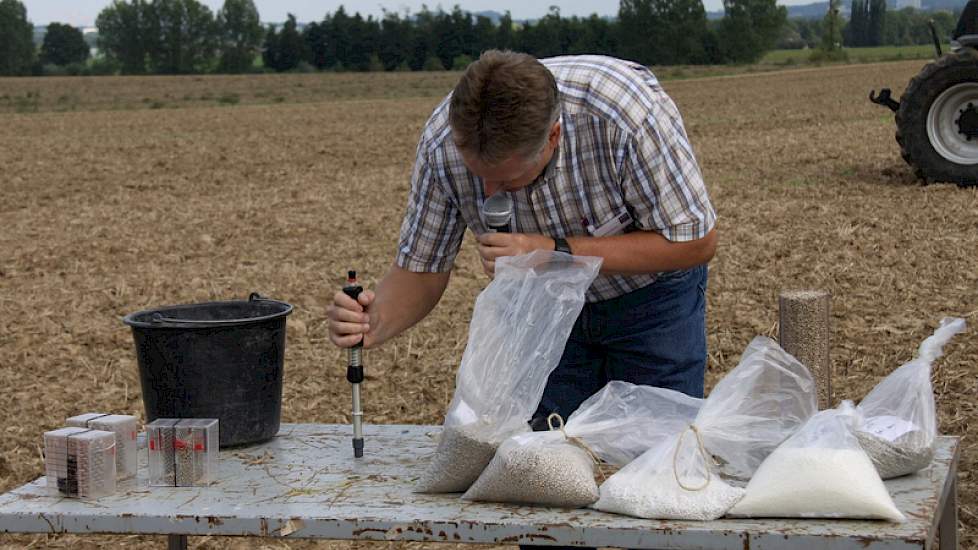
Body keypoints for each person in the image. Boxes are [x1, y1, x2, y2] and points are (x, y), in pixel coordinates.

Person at [328, 50, 717, 430]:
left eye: (508, 179)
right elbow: (422, 270)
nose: (489, 189)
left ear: (553, 137)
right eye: (476, 172)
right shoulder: (441, 145)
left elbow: (693, 242)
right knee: (546, 457)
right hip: (541, 313)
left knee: (655, 450)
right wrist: (371, 323)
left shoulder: (624, 116)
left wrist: (553, 251)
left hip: (650, 303)